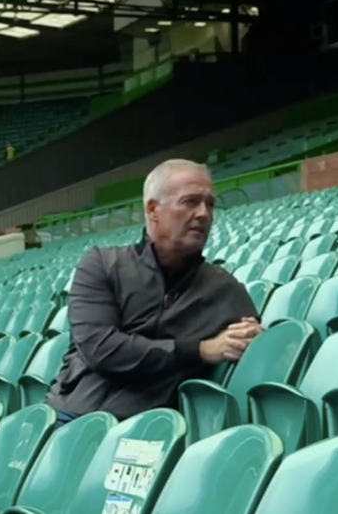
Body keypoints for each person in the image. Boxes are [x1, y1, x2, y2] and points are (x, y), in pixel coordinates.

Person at [47, 159, 262, 426]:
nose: (204, 213)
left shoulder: (224, 289)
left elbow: (253, 341)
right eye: (190, 201)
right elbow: (102, 349)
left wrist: (251, 336)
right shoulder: (101, 264)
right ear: (153, 210)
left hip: (149, 429)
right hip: (73, 417)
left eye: (210, 204)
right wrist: (201, 350)